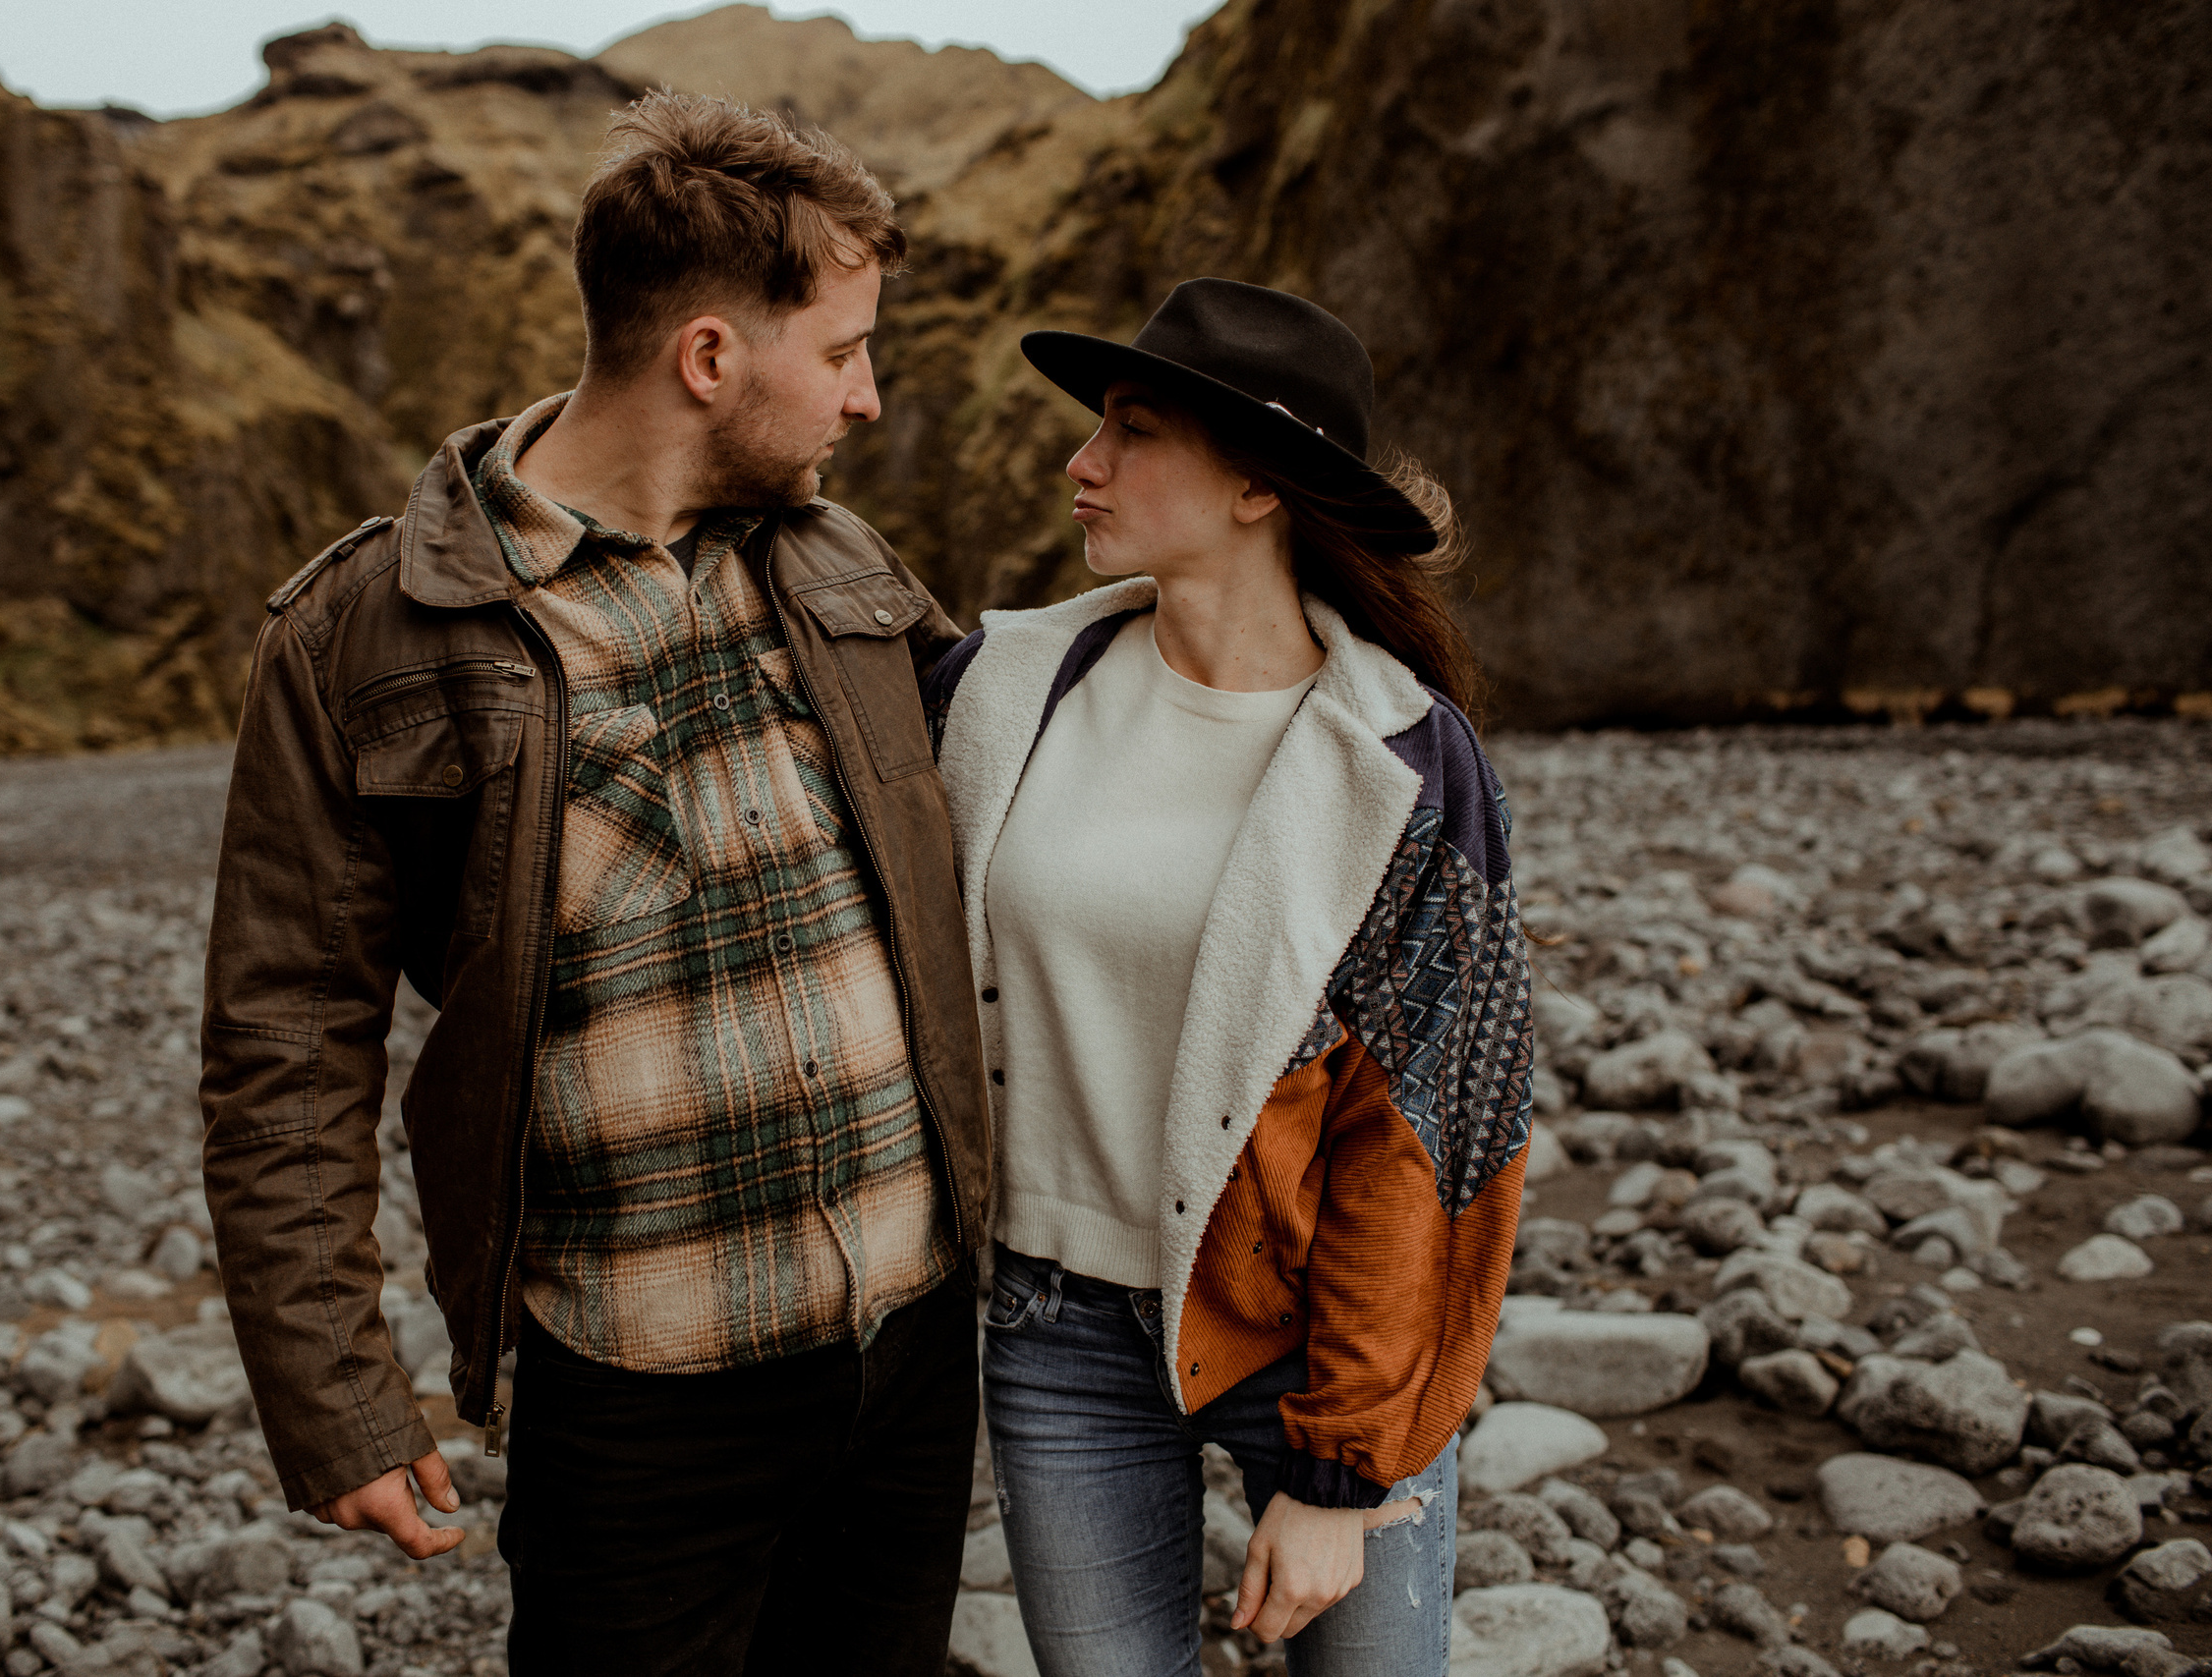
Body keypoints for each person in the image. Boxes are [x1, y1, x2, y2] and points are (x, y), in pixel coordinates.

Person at [199, 91, 992, 1677]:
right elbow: (286, 1036)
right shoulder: (363, 634)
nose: (867, 397)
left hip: (912, 1357)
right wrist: (339, 1395)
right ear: (709, 356)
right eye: (841, 352)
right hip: (637, 1400)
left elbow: (1038, 790)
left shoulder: (841, 563)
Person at [922, 278, 1536, 1677]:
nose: (1081, 461)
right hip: (1055, 1330)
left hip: (1314, 1333)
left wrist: (1342, 1472)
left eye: (1133, 430)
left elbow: (1436, 1142)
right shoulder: (1000, 690)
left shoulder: (1401, 763)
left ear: (1260, 485)